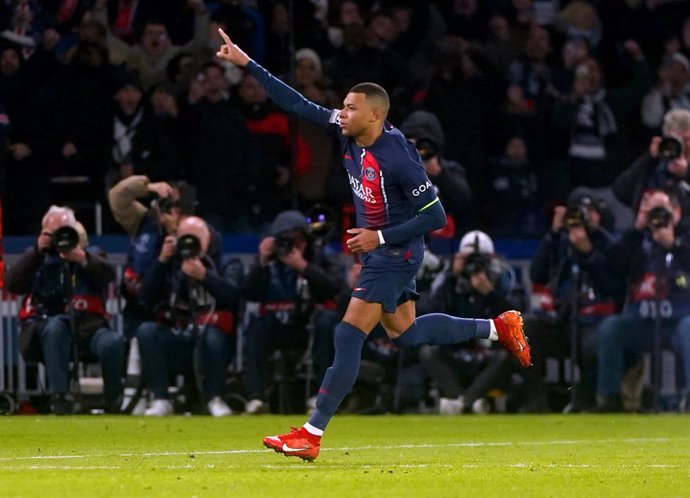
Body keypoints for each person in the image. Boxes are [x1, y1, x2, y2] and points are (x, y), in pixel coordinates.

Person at [216, 28, 531, 461]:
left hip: (395, 252)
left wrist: (379, 236)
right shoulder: (348, 132)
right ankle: (498, 327)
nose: (341, 113)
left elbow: (435, 217)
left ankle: (312, 433)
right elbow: (298, 105)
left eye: (350, 108)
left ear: (375, 116)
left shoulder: (398, 156)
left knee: (347, 336)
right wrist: (247, 63)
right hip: (383, 251)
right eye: (342, 106)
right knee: (405, 332)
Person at [5, 206, 125, 414]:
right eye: (53, 233)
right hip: (47, 332)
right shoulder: (36, 258)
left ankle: (114, 400)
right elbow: (13, 284)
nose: (59, 239)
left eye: (64, 231)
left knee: (112, 342)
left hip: (88, 330)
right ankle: (58, 398)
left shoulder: (89, 255)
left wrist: (81, 258)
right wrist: (37, 251)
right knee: (56, 328)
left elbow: (108, 275)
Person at [136, 215, 244, 416]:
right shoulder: (170, 263)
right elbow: (145, 298)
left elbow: (233, 297)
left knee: (212, 336)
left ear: (208, 238)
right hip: (178, 338)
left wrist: (204, 276)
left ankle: (215, 399)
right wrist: (161, 261)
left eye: (195, 237)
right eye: (185, 237)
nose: (190, 243)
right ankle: (161, 399)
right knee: (147, 331)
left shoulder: (227, 263)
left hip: (214, 344)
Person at [241, 210, 343, 414]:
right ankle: (256, 398)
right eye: (285, 240)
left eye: (297, 240)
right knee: (255, 325)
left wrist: (303, 266)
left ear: (306, 239)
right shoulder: (268, 261)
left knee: (328, 323)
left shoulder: (319, 256)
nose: (291, 246)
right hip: (277, 326)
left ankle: (322, 397)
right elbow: (247, 292)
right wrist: (261, 261)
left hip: (309, 325)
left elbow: (335, 286)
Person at [597, 189, 690, 412]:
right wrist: (635, 230)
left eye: (661, 210)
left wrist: (672, 245)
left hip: (677, 321)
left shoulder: (685, 238)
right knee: (612, 327)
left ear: (676, 213)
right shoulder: (636, 242)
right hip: (641, 321)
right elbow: (610, 266)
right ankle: (609, 399)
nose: (655, 217)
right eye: (649, 211)